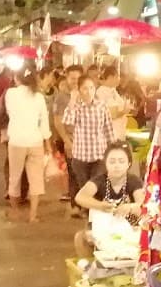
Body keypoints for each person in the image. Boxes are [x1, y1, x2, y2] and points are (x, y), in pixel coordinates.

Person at [73, 141, 146, 257]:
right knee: (80, 238)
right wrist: (100, 206)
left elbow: (143, 206)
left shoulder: (134, 181)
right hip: (102, 229)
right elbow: (80, 197)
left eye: (121, 161)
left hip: (129, 230)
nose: (117, 165)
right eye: (112, 161)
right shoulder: (99, 180)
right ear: (105, 163)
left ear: (129, 164)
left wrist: (130, 207)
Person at [2, 66, 54, 222]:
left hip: (17, 140)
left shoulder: (10, 94)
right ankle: (33, 215)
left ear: (17, 78)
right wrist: (48, 144)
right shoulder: (39, 97)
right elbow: (44, 123)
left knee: (15, 178)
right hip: (35, 141)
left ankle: (15, 212)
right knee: (36, 179)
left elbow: (9, 113)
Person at [62, 77, 114, 217]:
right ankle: (88, 212)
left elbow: (108, 128)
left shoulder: (101, 106)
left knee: (96, 185)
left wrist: (113, 147)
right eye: (85, 88)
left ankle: (94, 214)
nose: (89, 91)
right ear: (79, 90)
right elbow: (67, 121)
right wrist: (73, 100)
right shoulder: (77, 107)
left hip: (99, 153)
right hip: (81, 155)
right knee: (84, 186)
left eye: (91, 88)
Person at [95, 64, 131, 140]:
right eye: (118, 76)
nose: (119, 79)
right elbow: (111, 114)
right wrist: (123, 112)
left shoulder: (113, 90)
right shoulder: (101, 92)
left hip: (119, 130)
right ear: (111, 77)